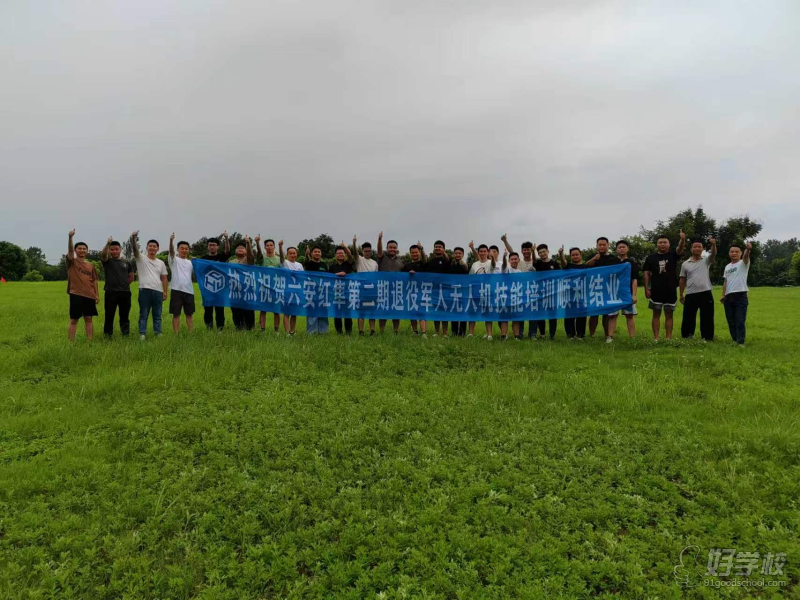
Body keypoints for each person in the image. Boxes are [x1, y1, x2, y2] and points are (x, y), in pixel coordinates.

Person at [643, 230, 686, 341]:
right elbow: (646, 274)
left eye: (665, 242)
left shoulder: (673, 255)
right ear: (657, 244)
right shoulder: (650, 258)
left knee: (669, 315)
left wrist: (682, 239)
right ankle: (656, 338)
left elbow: (680, 249)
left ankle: (668, 338)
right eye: (660, 242)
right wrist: (646, 289)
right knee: (656, 314)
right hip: (655, 290)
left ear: (669, 244)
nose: (662, 244)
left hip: (670, 290)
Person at [130, 231, 168, 339]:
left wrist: (165, 291)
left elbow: (164, 278)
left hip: (158, 291)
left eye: (154, 246)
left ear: (157, 249)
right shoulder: (141, 258)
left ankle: (158, 332)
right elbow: (135, 249)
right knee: (144, 314)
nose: (152, 248)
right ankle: (142, 333)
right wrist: (133, 238)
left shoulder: (161, 263)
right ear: (147, 248)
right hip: (144, 290)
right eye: (150, 246)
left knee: (157, 314)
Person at [585, 237, 622, 343]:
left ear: (608, 245)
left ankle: (607, 335)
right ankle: (592, 335)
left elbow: (620, 272)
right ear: (596, 246)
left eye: (604, 245)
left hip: (609, 290)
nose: (601, 247)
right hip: (595, 289)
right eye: (599, 245)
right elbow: (586, 266)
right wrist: (594, 259)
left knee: (607, 314)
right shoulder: (594, 257)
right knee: (594, 314)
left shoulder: (614, 259)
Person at [679, 237, 717, 341]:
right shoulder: (685, 264)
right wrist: (681, 294)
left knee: (707, 316)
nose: (697, 248)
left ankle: (708, 337)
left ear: (702, 249)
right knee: (688, 317)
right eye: (695, 247)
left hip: (706, 293)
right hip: (690, 294)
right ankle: (687, 336)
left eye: (699, 247)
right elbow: (682, 279)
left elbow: (713, 254)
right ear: (691, 249)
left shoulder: (706, 260)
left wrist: (713, 245)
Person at [66, 229, 99, 341]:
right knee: (74, 319)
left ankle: (90, 341)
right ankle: (71, 342)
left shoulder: (90, 265)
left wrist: (96, 294)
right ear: (75, 250)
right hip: (76, 294)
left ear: (87, 251)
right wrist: (70, 237)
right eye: (79, 248)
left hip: (89, 295)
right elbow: (70, 251)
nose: (82, 250)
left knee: (89, 319)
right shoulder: (72, 261)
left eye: (84, 248)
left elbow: (94, 280)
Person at [502, 234, 536, 337]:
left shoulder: (535, 262)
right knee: (519, 314)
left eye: (528, 249)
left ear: (531, 250)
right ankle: (519, 334)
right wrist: (505, 241)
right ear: (522, 251)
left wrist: (534, 251)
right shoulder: (518, 262)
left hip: (532, 291)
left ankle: (532, 334)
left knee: (532, 313)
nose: (526, 251)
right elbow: (512, 253)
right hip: (518, 292)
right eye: (524, 250)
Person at [100, 236, 134, 337]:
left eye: (116, 249)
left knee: (124, 315)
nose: (114, 251)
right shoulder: (107, 261)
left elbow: (131, 277)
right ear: (109, 250)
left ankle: (125, 334)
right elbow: (103, 254)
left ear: (120, 250)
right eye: (112, 249)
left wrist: (123, 285)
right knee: (109, 315)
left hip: (125, 292)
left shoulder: (127, 262)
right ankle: (107, 335)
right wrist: (107, 243)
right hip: (110, 292)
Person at [721, 241, 752, 346]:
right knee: (731, 321)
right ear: (729, 253)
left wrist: (748, 249)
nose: (734, 253)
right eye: (732, 251)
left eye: (736, 252)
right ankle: (735, 340)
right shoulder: (727, 267)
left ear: (741, 253)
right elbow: (725, 281)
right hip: (728, 297)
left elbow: (746, 257)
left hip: (740, 295)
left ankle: (740, 342)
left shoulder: (743, 263)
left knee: (740, 320)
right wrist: (723, 295)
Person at [199, 231, 230, 330]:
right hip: (207, 288)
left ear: (218, 246)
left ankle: (220, 328)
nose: (212, 247)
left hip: (220, 288)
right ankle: (209, 328)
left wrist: (226, 238)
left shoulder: (221, 257)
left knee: (219, 309)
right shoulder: (203, 259)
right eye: (210, 245)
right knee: (208, 309)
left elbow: (227, 251)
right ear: (207, 247)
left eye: (214, 245)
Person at [376, 231, 404, 333]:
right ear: (387, 248)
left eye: (394, 247)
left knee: (396, 311)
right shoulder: (382, 257)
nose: (392, 249)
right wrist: (379, 239)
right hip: (383, 289)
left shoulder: (400, 261)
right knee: (383, 310)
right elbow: (379, 250)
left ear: (397, 249)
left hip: (396, 290)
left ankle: (396, 330)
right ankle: (381, 331)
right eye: (390, 247)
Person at [468, 242, 496, 339]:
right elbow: (470, 277)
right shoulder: (474, 264)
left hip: (487, 291)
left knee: (487, 313)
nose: (483, 253)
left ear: (487, 252)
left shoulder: (490, 262)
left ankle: (489, 334)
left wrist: (493, 257)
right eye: (481, 251)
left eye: (484, 251)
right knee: (473, 312)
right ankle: (470, 333)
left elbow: (493, 265)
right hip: (475, 291)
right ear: (478, 252)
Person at [168, 233, 195, 334]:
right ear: (178, 249)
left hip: (189, 291)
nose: (184, 250)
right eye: (182, 248)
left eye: (186, 248)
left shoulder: (191, 263)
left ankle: (191, 333)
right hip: (176, 290)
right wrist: (171, 241)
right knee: (176, 314)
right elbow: (171, 251)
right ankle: (176, 334)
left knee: (189, 314)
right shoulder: (174, 260)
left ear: (188, 250)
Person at [532, 243, 561, 339]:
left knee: (552, 314)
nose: (542, 254)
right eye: (540, 252)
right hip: (540, 292)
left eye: (544, 251)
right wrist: (533, 251)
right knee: (541, 313)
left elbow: (560, 275)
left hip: (553, 292)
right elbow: (534, 261)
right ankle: (542, 334)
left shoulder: (555, 264)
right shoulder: (538, 263)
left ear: (548, 251)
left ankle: (552, 335)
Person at [352, 235, 378, 335]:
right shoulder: (359, 259)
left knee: (372, 311)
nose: (367, 252)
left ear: (371, 251)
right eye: (365, 251)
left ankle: (372, 330)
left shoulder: (375, 263)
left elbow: (376, 277)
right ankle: (361, 331)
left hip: (372, 289)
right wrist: (354, 242)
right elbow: (354, 252)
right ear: (362, 251)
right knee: (361, 311)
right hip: (361, 289)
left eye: (369, 251)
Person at [255, 236, 282, 333]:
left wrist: (281, 247)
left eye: (271, 245)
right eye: (267, 245)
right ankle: (262, 330)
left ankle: (276, 330)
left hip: (276, 287)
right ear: (265, 247)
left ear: (274, 247)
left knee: (276, 310)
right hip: (263, 287)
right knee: (263, 309)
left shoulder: (279, 259)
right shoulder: (262, 258)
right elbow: (258, 253)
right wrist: (257, 243)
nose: (269, 247)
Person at [277, 240, 304, 335]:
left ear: (296, 254)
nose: (292, 255)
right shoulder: (285, 263)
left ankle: (292, 331)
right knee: (286, 312)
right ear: (287, 254)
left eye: (294, 253)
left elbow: (302, 277)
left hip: (297, 291)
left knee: (294, 313)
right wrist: (280, 247)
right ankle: (287, 332)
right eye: (290, 253)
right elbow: (281, 257)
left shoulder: (299, 265)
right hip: (287, 291)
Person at [614, 240, 639, 338]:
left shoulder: (632, 262)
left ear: (628, 249)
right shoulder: (613, 262)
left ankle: (632, 337)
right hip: (614, 293)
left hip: (627, 293)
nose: (622, 249)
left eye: (624, 247)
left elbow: (634, 279)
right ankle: (610, 336)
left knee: (629, 315)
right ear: (616, 250)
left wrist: (634, 295)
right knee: (612, 315)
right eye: (619, 247)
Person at [560, 247, 587, 339]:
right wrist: (561, 254)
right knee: (569, 315)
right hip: (569, 295)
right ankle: (570, 335)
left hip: (582, 295)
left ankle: (580, 335)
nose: (575, 256)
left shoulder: (585, 267)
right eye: (573, 255)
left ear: (581, 255)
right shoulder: (568, 266)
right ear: (570, 256)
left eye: (577, 254)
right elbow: (563, 263)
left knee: (581, 315)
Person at [230, 236, 256, 331]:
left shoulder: (249, 260)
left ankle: (250, 328)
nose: (240, 249)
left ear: (246, 251)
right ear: (235, 251)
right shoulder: (231, 262)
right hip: (234, 290)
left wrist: (248, 243)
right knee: (236, 310)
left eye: (242, 248)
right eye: (238, 248)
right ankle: (239, 328)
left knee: (248, 310)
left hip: (247, 289)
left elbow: (250, 255)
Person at [402, 243, 428, 336]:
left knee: (422, 311)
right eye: (413, 253)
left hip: (422, 291)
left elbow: (425, 259)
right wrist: (408, 275)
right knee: (412, 312)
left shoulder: (423, 264)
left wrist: (422, 248)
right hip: (410, 292)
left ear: (419, 253)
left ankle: (424, 332)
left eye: (416, 252)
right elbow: (402, 279)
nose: (414, 254)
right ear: (410, 254)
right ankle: (415, 331)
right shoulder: (406, 266)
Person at [426, 240, 451, 336]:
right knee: (436, 310)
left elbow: (448, 260)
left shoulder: (447, 260)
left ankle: (445, 333)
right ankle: (437, 332)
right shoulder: (431, 261)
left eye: (440, 247)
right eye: (436, 247)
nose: (437, 248)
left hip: (445, 290)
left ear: (443, 249)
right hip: (434, 290)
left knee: (444, 311)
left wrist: (444, 253)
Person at [328, 242, 354, 334]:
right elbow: (328, 277)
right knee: (337, 313)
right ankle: (339, 331)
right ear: (335, 255)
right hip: (336, 293)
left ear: (344, 254)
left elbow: (350, 256)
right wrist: (337, 274)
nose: (340, 254)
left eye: (342, 253)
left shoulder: (348, 263)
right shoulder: (332, 267)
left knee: (347, 313)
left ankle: (348, 331)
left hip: (347, 292)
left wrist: (345, 247)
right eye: (338, 253)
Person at [304, 245, 330, 335]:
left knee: (323, 311)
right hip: (311, 291)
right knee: (312, 311)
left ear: (321, 253)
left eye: (319, 252)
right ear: (312, 253)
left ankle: (323, 331)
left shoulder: (324, 265)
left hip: (323, 291)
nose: (317, 253)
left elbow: (329, 277)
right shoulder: (309, 264)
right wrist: (306, 254)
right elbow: (306, 261)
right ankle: (311, 332)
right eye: (315, 252)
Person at [501, 251, 522, 340]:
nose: (514, 261)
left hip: (516, 297)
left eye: (515, 259)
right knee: (504, 318)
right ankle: (503, 336)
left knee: (516, 318)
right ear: (509, 261)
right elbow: (504, 265)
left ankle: (516, 336)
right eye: (512, 259)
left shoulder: (520, 272)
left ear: (518, 260)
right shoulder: (507, 269)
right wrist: (504, 257)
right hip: (506, 297)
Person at [448, 246, 469, 337]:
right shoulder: (451, 265)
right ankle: (454, 332)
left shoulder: (465, 266)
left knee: (463, 311)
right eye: (456, 253)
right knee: (454, 311)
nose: (458, 255)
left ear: (463, 255)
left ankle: (462, 332)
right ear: (454, 254)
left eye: (460, 253)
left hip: (462, 292)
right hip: (453, 292)